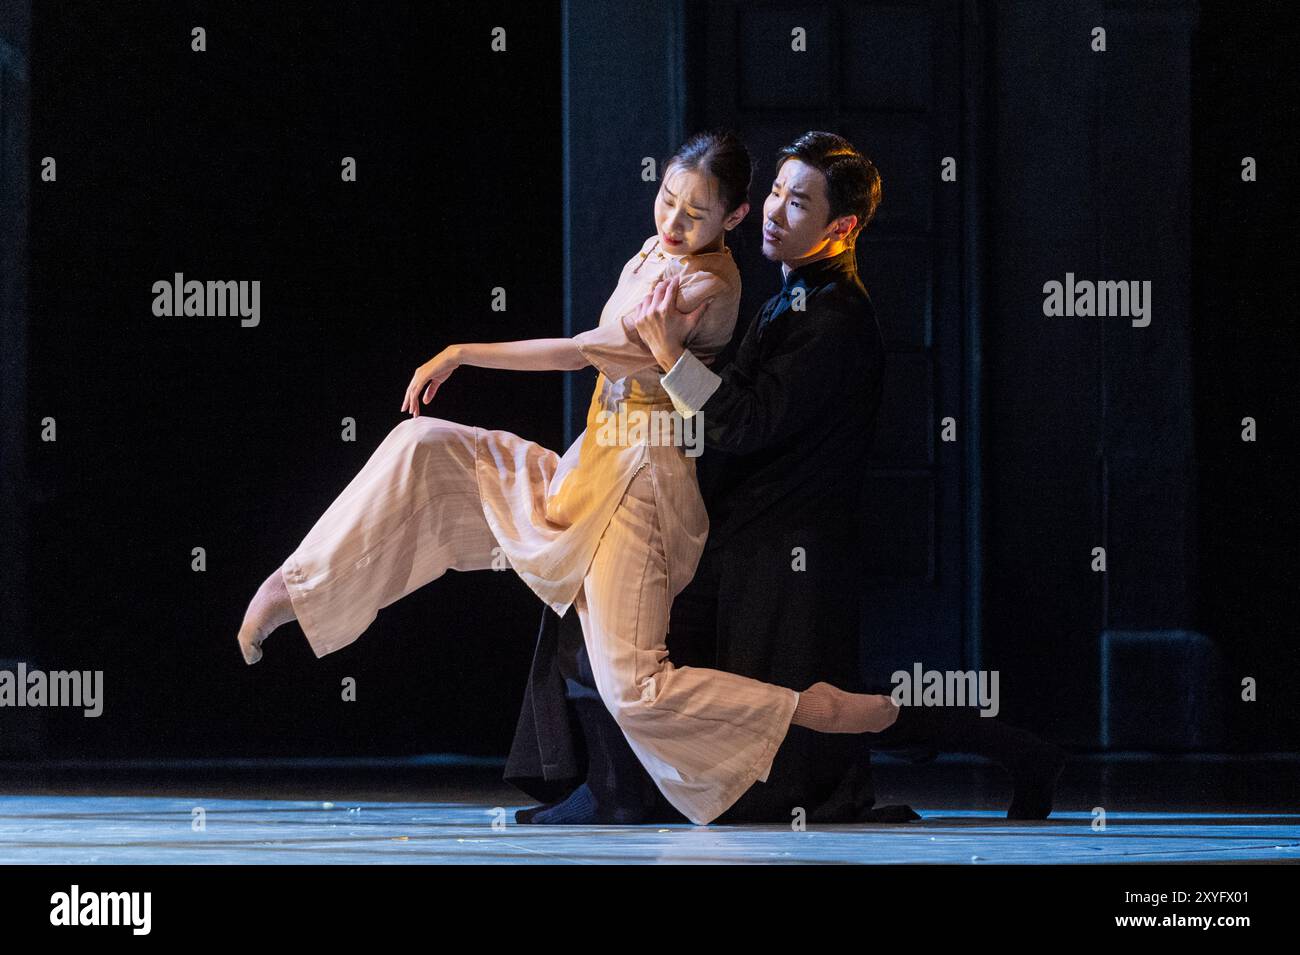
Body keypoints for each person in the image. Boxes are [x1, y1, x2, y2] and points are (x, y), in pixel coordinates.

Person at [232, 129, 902, 828]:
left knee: (635, 687)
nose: (672, 222)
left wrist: (463, 351)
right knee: (425, 445)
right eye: (668, 200)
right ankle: (299, 585)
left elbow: (585, 353)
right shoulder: (661, 251)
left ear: (727, 221)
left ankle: (810, 707)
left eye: (694, 214)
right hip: (594, 463)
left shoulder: (706, 286)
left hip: (639, 490)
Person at [509, 131, 1064, 824]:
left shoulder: (835, 315)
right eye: (774, 191)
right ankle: (609, 790)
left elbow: (743, 420)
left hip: (783, 552)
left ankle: (1016, 748)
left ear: (843, 225)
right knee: (653, 647)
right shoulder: (792, 295)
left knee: (805, 718)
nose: (773, 211)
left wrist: (662, 351)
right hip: (746, 533)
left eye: (797, 202)